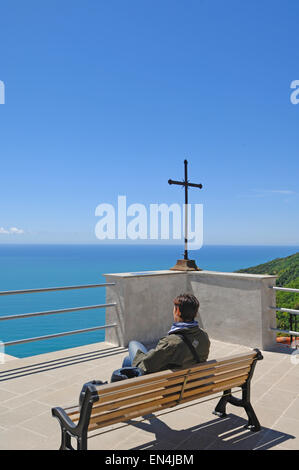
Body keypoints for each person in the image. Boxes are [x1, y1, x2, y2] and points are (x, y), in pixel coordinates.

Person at [121, 293, 210, 374]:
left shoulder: (171, 342)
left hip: (170, 386)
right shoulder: (203, 336)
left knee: (133, 344)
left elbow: (145, 366)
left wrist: (147, 355)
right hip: (192, 382)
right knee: (127, 360)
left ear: (178, 311)